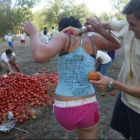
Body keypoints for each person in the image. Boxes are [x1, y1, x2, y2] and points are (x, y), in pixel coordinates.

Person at [21, 16, 120, 139]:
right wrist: (100, 30)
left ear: (62, 30)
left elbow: (39, 56)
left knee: (80, 132)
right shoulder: (94, 40)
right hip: (88, 106)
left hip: (64, 107)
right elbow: (117, 44)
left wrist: (34, 33)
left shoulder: (62, 37)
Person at [88, 0, 140, 139]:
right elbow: (109, 23)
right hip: (125, 97)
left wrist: (112, 83)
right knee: (125, 131)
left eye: (132, 24)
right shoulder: (130, 27)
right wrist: (85, 29)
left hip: (138, 108)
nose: (128, 28)